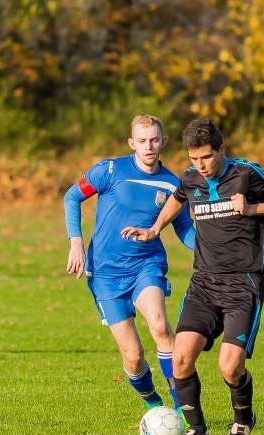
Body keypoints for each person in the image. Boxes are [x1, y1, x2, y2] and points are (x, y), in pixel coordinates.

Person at [121, 117, 264, 435]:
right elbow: (178, 197)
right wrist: (155, 229)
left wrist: (253, 207)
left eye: (206, 157)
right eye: (193, 159)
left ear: (221, 150)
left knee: (230, 367)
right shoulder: (190, 179)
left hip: (243, 284)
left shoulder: (246, 173)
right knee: (181, 359)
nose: (200, 166)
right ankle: (197, 431)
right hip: (203, 283)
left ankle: (243, 421)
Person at [64, 114, 196, 415]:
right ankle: (153, 403)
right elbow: (72, 198)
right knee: (134, 356)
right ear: (131, 143)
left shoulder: (174, 184)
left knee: (161, 327)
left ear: (163, 142)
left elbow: (184, 229)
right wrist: (76, 244)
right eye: (142, 141)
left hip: (146, 265)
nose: (148, 146)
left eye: (153, 140)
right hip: (106, 274)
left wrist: (210, 249)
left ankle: (182, 410)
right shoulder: (109, 170)